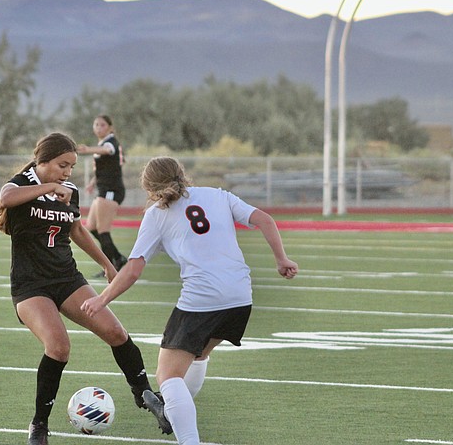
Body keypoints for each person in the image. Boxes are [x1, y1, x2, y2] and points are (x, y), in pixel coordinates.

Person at [81, 156, 298, 444]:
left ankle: (186, 434)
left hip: (203, 298)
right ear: (182, 174)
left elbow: (132, 269)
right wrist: (281, 259)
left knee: (167, 376)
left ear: (148, 188)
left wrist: (102, 300)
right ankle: (175, 410)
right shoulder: (217, 195)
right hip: (240, 295)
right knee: (198, 356)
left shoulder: (157, 214)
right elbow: (264, 219)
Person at [0, 133, 156, 445]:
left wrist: (108, 263)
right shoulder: (22, 182)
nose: (68, 172)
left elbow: (77, 229)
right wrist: (49, 186)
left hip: (67, 278)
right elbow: (6, 198)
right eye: (62, 165)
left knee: (115, 332)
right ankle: (39, 425)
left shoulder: (69, 190)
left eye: (71, 166)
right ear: (42, 161)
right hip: (31, 285)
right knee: (59, 347)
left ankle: (145, 393)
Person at [77, 115, 128, 271]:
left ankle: (110, 267)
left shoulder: (110, 143)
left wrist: (87, 149)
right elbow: (112, 164)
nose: (98, 128)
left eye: (102, 125)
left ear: (110, 128)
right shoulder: (103, 144)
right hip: (104, 189)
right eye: (96, 124)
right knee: (91, 227)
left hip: (111, 190)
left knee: (103, 230)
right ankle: (118, 258)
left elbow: (108, 150)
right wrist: (93, 183)